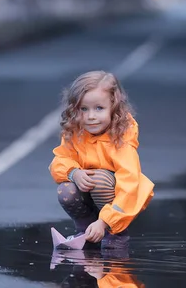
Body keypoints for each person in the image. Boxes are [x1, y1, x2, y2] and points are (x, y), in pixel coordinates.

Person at [49, 71, 154, 250]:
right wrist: (74, 173)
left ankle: (115, 235)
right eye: (84, 109)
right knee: (65, 190)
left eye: (99, 108)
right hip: (91, 193)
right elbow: (59, 161)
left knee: (99, 180)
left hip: (119, 201)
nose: (91, 116)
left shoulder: (121, 139)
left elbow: (129, 185)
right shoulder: (76, 132)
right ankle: (86, 232)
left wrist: (105, 221)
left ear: (114, 107)